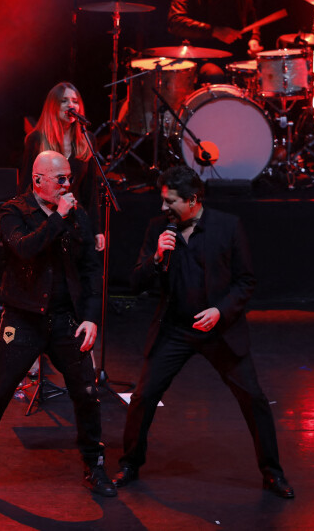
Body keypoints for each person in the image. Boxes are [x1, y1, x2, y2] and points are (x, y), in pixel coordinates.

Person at [113, 165, 294, 499]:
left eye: (170, 201)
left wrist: (220, 311)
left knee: (253, 398)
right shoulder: (158, 229)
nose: (163, 208)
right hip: (175, 327)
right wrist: (156, 256)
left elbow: (245, 281)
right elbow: (136, 282)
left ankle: (272, 472)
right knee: (143, 395)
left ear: (193, 200)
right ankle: (129, 463)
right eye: (162, 200)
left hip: (218, 330)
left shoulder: (227, 227)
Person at [0, 151, 116, 500]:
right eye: (61, 179)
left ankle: (95, 464)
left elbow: (89, 270)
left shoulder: (77, 215)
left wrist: (89, 317)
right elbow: (26, 249)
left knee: (87, 393)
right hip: (23, 318)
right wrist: (58, 217)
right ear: (38, 180)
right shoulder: (14, 211)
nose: (68, 185)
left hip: (65, 319)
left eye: (69, 178)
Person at [19, 82, 105, 252]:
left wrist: (97, 230)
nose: (71, 105)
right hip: (43, 220)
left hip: (76, 222)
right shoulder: (36, 139)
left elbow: (91, 190)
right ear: (53, 106)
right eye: (64, 101)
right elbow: (25, 185)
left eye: (75, 101)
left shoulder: (86, 140)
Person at [167, 0, 264, 84]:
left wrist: (254, 39)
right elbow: (176, 22)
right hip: (203, 57)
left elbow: (251, 16)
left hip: (237, 55)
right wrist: (215, 31)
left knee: (265, 74)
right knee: (215, 75)